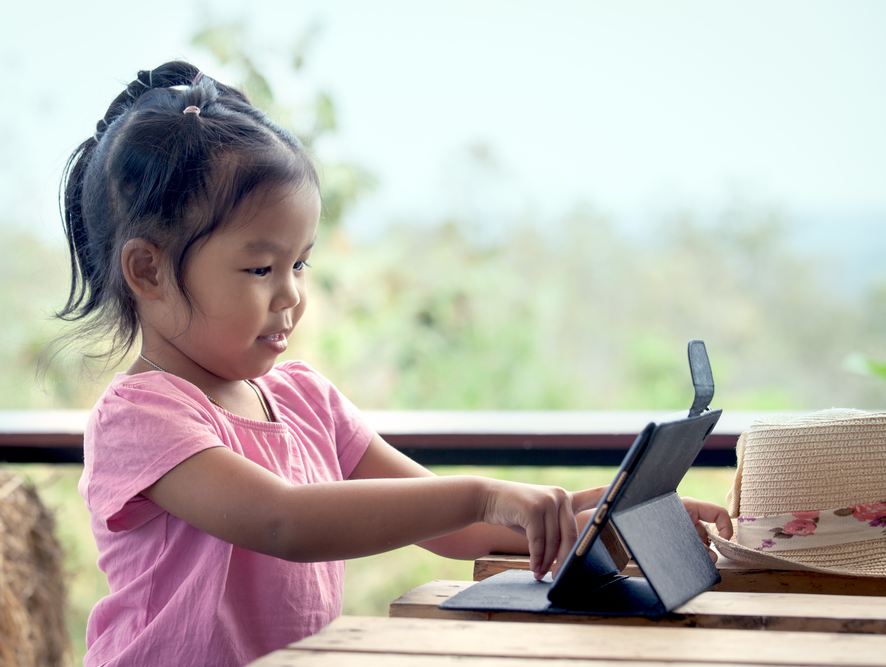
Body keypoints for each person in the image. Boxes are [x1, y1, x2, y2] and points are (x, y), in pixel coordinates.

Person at [57, 61, 733, 667]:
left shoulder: (303, 399)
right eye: (261, 267)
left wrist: (597, 516)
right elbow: (284, 520)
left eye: (300, 263)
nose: (291, 293)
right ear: (148, 270)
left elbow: (457, 526)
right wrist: (485, 491)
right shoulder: (140, 418)